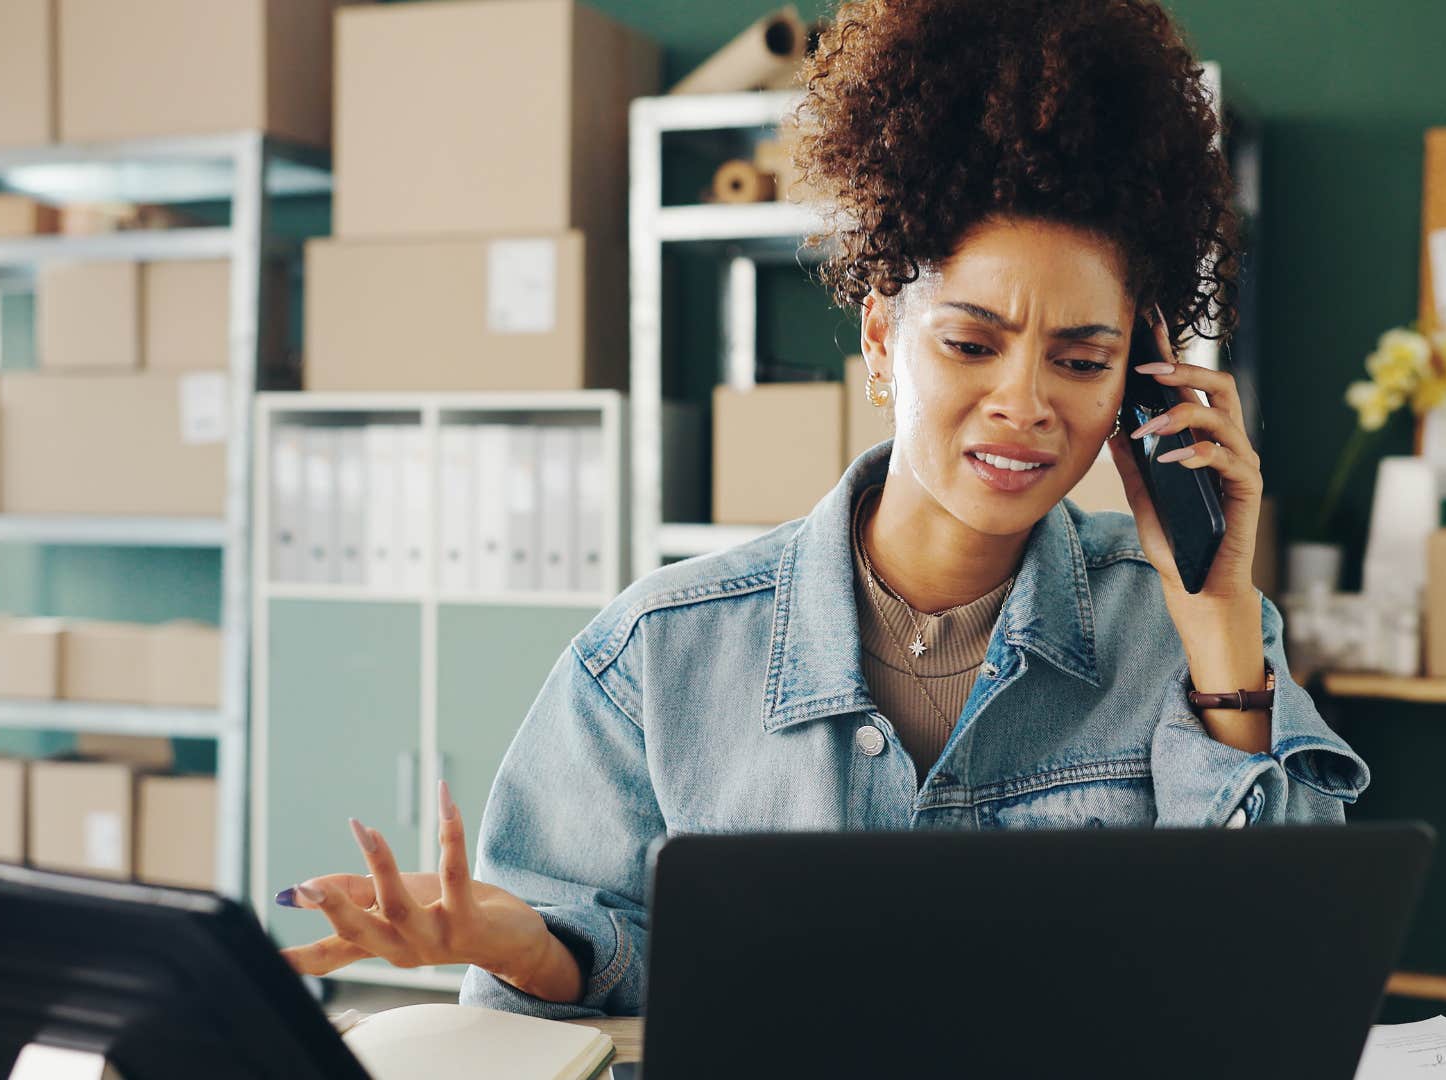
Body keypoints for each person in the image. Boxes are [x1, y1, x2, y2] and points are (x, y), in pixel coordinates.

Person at [276, 0, 1369, 1019]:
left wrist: (1220, 614)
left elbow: (1280, 992)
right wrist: (533, 947)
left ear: (1137, 385)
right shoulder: (661, 654)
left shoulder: (1186, 637)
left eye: (1083, 359)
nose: (1025, 405)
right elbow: (618, 984)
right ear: (884, 344)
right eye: (971, 343)